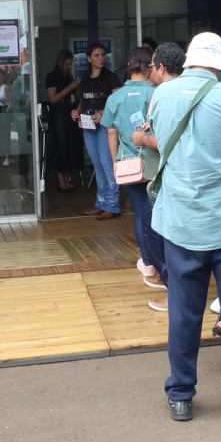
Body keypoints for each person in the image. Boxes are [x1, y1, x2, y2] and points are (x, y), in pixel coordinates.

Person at [146, 33, 221, 424]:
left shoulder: (161, 95)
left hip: (181, 222)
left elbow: (161, 143)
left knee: (183, 311)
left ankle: (181, 394)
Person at [103, 46, 165, 289]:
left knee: (140, 213)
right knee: (156, 213)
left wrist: (116, 160)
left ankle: (148, 263)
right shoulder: (156, 94)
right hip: (154, 164)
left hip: (128, 165)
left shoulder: (114, 97)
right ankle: (162, 265)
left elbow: (111, 131)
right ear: (147, 66)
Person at [73, 43, 124, 220]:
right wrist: (76, 111)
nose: (101, 58)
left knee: (107, 163)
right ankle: (101, 202)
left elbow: (118, 100)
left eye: (103, 55)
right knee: (97, 164)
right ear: (88, 58)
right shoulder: (85, 78)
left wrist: (103, 112)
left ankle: (112, 205)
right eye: (96, 55)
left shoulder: (111, 77)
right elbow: (82, 102)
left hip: (105, 125)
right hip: (88, 125)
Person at [43, 49, 82, 193]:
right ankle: (61, 181)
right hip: (58, 116)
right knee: (59, 147)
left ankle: (67, 179)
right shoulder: (52, 77)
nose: (68, 67)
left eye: (70, 64)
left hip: (70, 115)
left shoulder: (69, 76)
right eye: (66, 64)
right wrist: (70, 88)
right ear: (61, 63)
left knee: (69, 147)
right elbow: (53, 98)